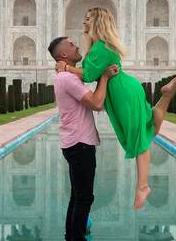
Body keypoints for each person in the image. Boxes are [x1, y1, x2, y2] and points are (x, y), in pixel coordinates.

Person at [55, 7, 176, 210]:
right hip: (127, 88)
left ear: (96, 23)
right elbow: (91, 72)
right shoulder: (101, 47)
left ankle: (143, 187)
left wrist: (67, 67)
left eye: (87, 19)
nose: (84, 22)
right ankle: (165, 96)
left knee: (139, 139)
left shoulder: (101, 49)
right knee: (149, 128)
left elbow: (87, 75)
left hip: (122, 92)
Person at [48, 36, 119, 241]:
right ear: (63, 55)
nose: (77, 45)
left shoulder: (67, 76)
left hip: (75, 142)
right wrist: (104, 78)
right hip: (80, 144)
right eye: (71, 45)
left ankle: (71, 236)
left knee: (77, 196)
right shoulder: (67, 79)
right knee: (84, 197)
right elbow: (96, 103)